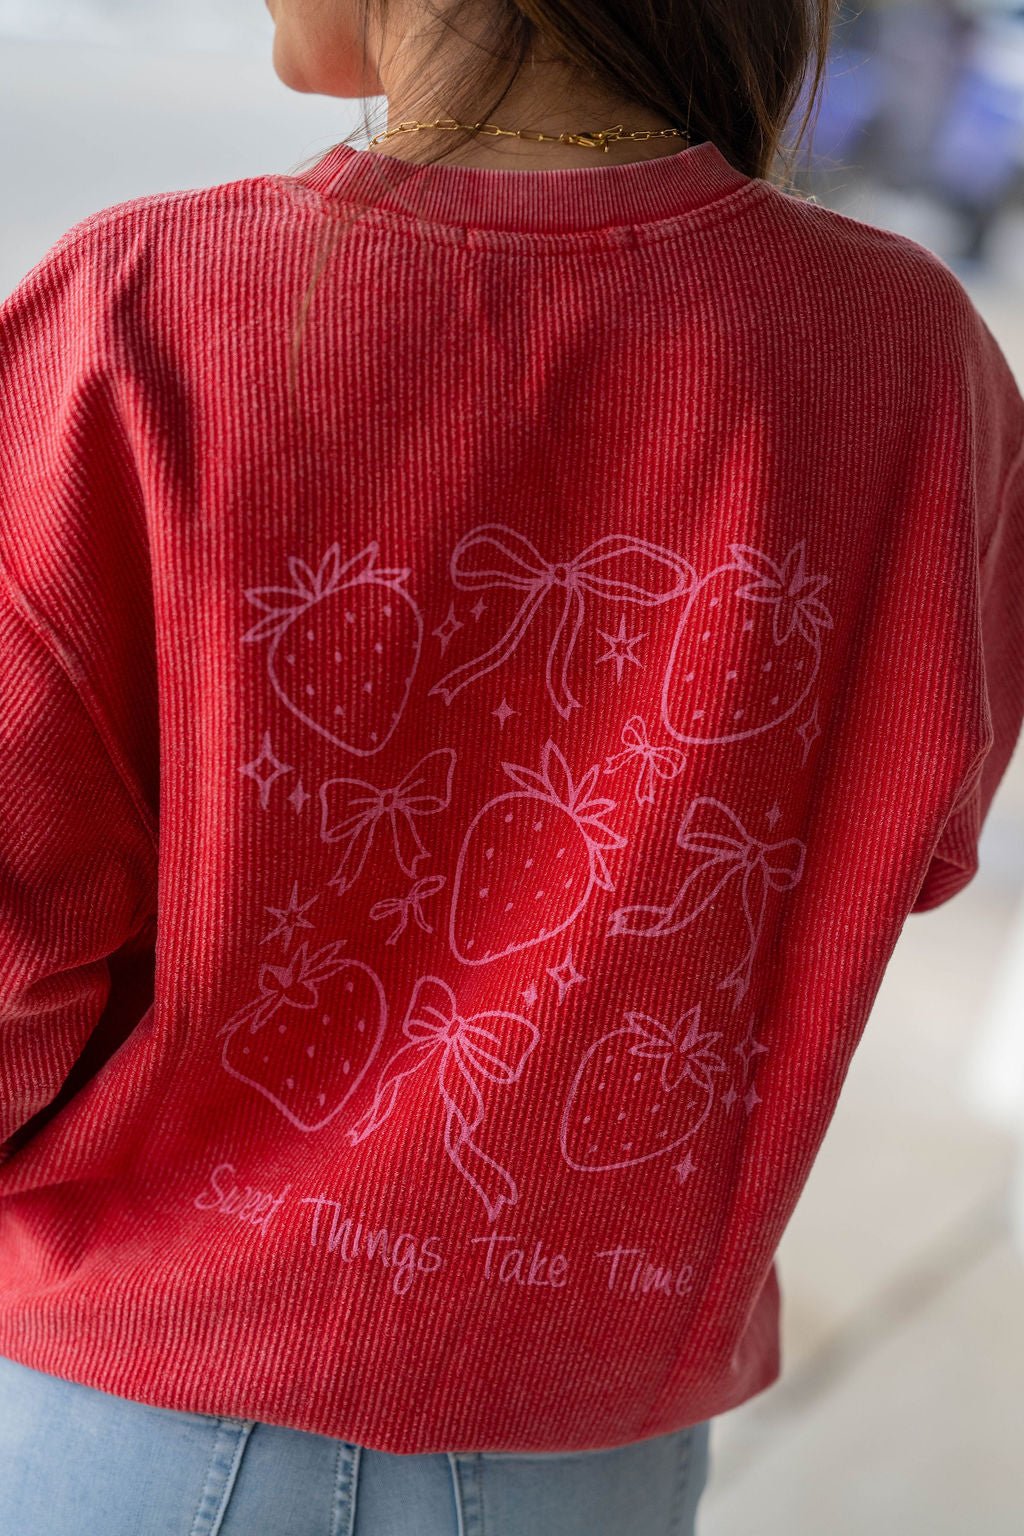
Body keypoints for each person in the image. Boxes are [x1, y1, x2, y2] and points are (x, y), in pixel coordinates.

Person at [0, 0, 1021, 1531]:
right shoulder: (908, 357)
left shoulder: (136, 305)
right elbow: (911, 843)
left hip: (130, 1398)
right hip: (588, 1442)